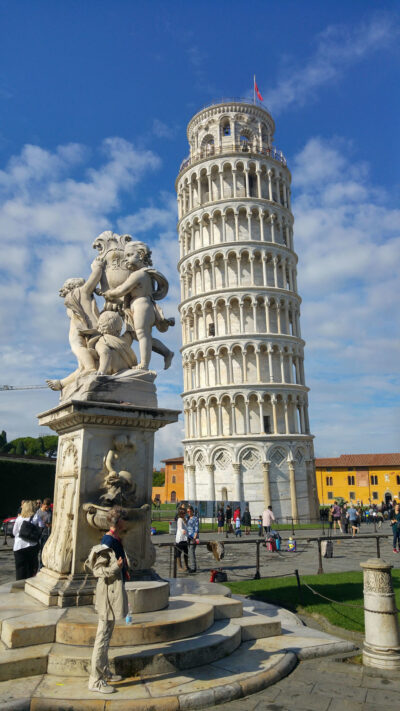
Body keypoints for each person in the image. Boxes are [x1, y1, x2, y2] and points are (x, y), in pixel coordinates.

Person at [102, 241, 174, 371]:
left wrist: (108, 293)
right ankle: (167, 352)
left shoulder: (139, 274)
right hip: (139, 305)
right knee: (140, 335)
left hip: (141, 305)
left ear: (141, 255)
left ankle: (144, 364)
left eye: (129, 255)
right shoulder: (146, 274)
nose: (126, 259)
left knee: (142, 335)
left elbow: (121, 290)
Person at [87, 506, 129, 694]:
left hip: (114, 591)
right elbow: (97, 570)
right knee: (102, 637)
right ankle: (95, 681)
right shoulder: (107, 541)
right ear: (118, 522)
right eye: (124, 519)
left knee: (107, 634)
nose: (126, 523)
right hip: (107, 594)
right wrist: (116, 568)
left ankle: (104, 671)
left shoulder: (116, 539)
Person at [12, 500, 40, 580]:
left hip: (19, 546)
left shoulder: (19, 518)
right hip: (32, 545)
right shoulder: (35, 517)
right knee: (31, 568)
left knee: (20, 568)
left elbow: (14, 532)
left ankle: (20, 585)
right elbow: (41, 526)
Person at [186, 505, 199, 573]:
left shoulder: (195, 518)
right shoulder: (187, 518)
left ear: (192, 511)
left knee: (191, 551)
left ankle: (193, 567)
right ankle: (192, 566)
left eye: (189, 511)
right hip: (188, 536)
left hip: (193, 537)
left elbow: (197, 529)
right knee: (190, 552)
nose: (188, 512)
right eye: (187, 511)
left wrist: (194, 538)